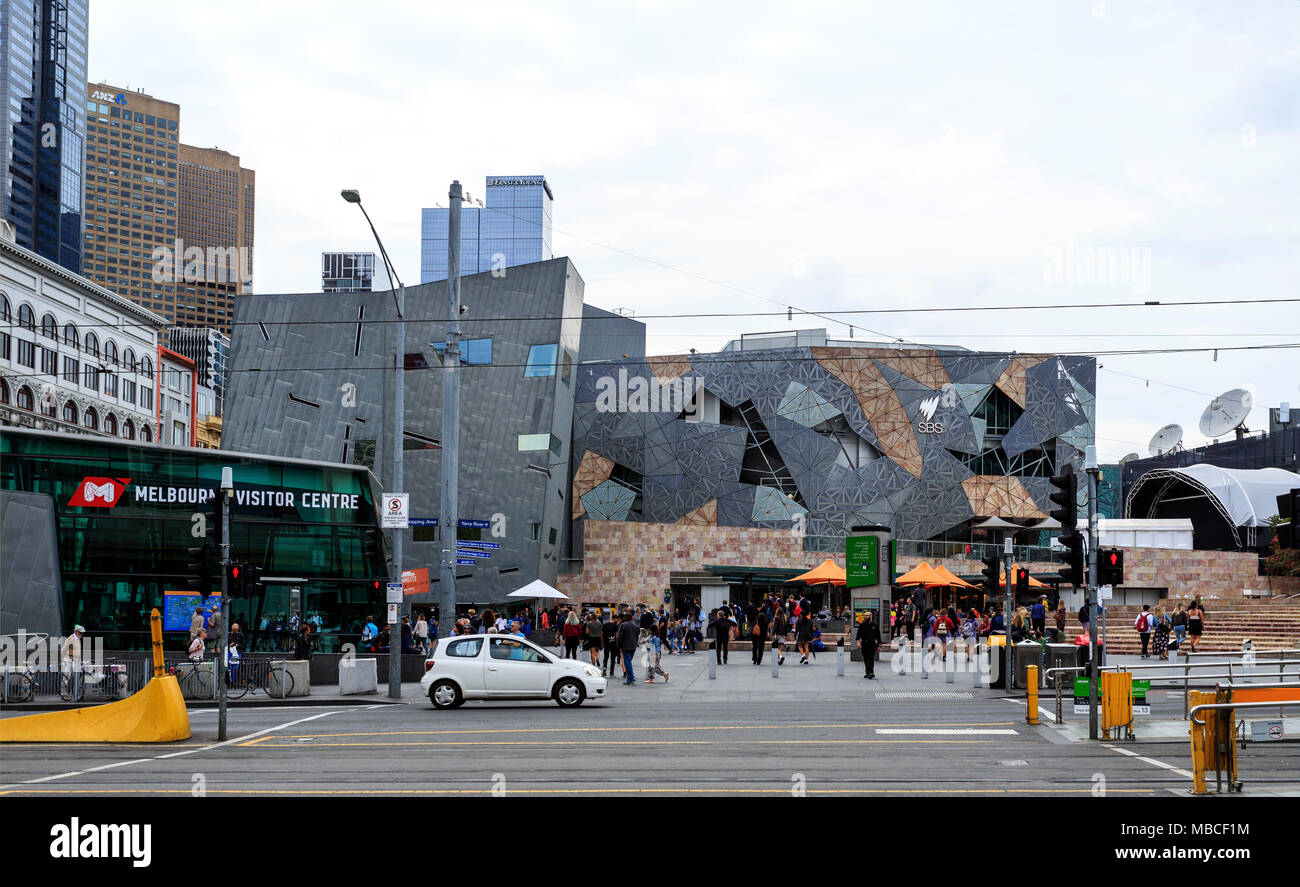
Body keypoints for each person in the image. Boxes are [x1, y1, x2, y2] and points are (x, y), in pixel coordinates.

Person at [856, 610, 881, 679]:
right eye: (865, 615)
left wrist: (879, 645)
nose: (865, 617)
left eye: (867, 615)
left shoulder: (875, 625)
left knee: (870, 658)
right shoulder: (862, 625)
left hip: (872, 644)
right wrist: (858, 642)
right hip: (864, 644)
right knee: (866, 658)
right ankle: (867, 672)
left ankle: (871, 672)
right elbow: (858, 634)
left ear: (871, 616)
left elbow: (878, 636)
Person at [616, 612, 639, 685]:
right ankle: (630, 678)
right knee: (629, 662)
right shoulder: (635, 626)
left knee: (627, 663)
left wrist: (619, 646)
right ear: (631, 618)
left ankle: (631, 678)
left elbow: (619, 637)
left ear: (625, 618)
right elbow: (637, 636)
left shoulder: (623, 625)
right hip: (633, 646)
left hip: (625, 646)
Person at [601, 613, 620, 677]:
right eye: (617, 619)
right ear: (615, 619)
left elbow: (602, 634)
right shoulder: (615, 626)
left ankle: (604, 667)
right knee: (613, 658)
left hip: (606, 642)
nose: (618, 620)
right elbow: (617, 635)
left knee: (606, 656)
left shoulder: (605, 625)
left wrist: (602, 643)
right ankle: (611, 673)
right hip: (613, 643)